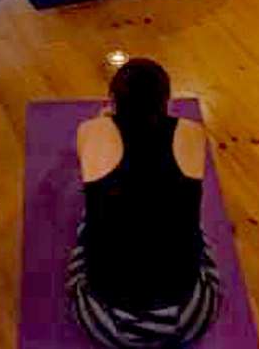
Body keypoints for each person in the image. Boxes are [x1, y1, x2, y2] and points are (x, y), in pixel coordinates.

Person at [68, 59, 220, 348]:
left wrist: (104, 121)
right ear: (166, 101)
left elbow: (86, 158)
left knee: (89, 221)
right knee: (193, 226)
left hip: (105, 321)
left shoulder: (90, 130)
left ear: (113, 100)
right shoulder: (192, 132)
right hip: (189, 317)